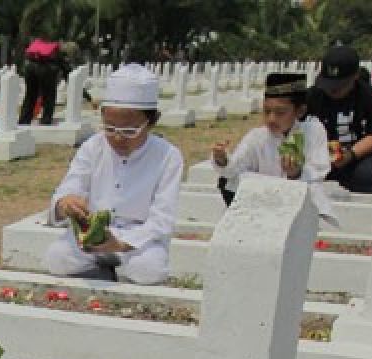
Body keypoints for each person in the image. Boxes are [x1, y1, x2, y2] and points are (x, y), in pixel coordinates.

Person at [43, 63, 182, 285]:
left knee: (149, 269)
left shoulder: (168, 156)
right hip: (91, 236)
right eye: (110, 128)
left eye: (129, 131)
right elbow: (70, 188)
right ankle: (102, 274)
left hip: (137, 241)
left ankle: (120, 271)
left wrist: (120, 243)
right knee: (57, 258)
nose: (118, 138)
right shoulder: (93, 147)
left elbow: (162, 219)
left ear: (151, 122)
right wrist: (66, 204)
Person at [211, 72, 335, 224]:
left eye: (280, 113)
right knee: (227, 181)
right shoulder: (258, 136)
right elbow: (235, 167)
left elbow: (320, 169)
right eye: (267, 111)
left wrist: (296, 173)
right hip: (264, 199)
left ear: (300, 111)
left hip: (300, 197)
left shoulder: (312, 130)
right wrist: (222, 159)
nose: (271, 119)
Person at [307, 44, 372, 194]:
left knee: (371, 173)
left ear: (355, 76)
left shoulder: (370, 97)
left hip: (356, 154)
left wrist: (350, 154)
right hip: (318, 155)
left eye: (339, 86)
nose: (332, 91)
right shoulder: (313, 96)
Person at [19, 38, 60, 126]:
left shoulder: (35, 53)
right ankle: (46, 120)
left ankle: (24, 121)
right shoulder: (59, 55)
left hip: (30, 69)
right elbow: (68, 73)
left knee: (30, 96)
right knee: (49, 97)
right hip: (46, 70)